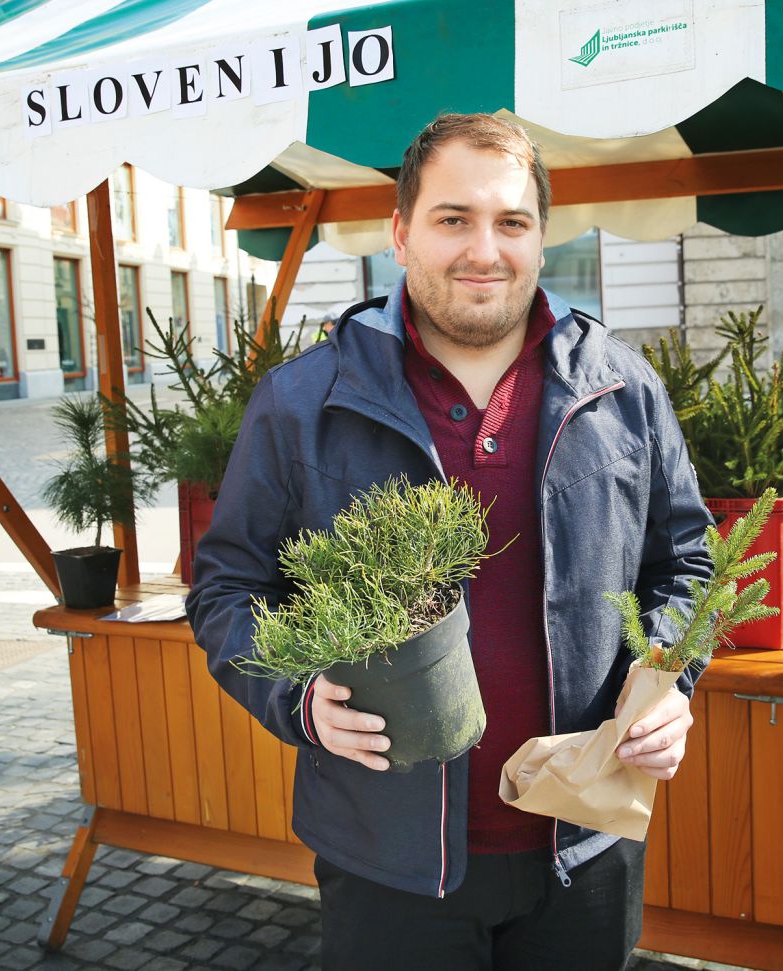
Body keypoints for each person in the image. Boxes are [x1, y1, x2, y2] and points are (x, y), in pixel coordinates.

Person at [187, 113, 713, 969]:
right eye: (453, 219)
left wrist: (667, 675)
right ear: (401, 233)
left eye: (511, 221)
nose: (484, 248)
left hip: (584, 838)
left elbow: (686, 560)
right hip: (386, 862)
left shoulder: (620, 388)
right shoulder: (302, 402)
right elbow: (223, 591)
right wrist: (299, 694)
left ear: (542, 238)